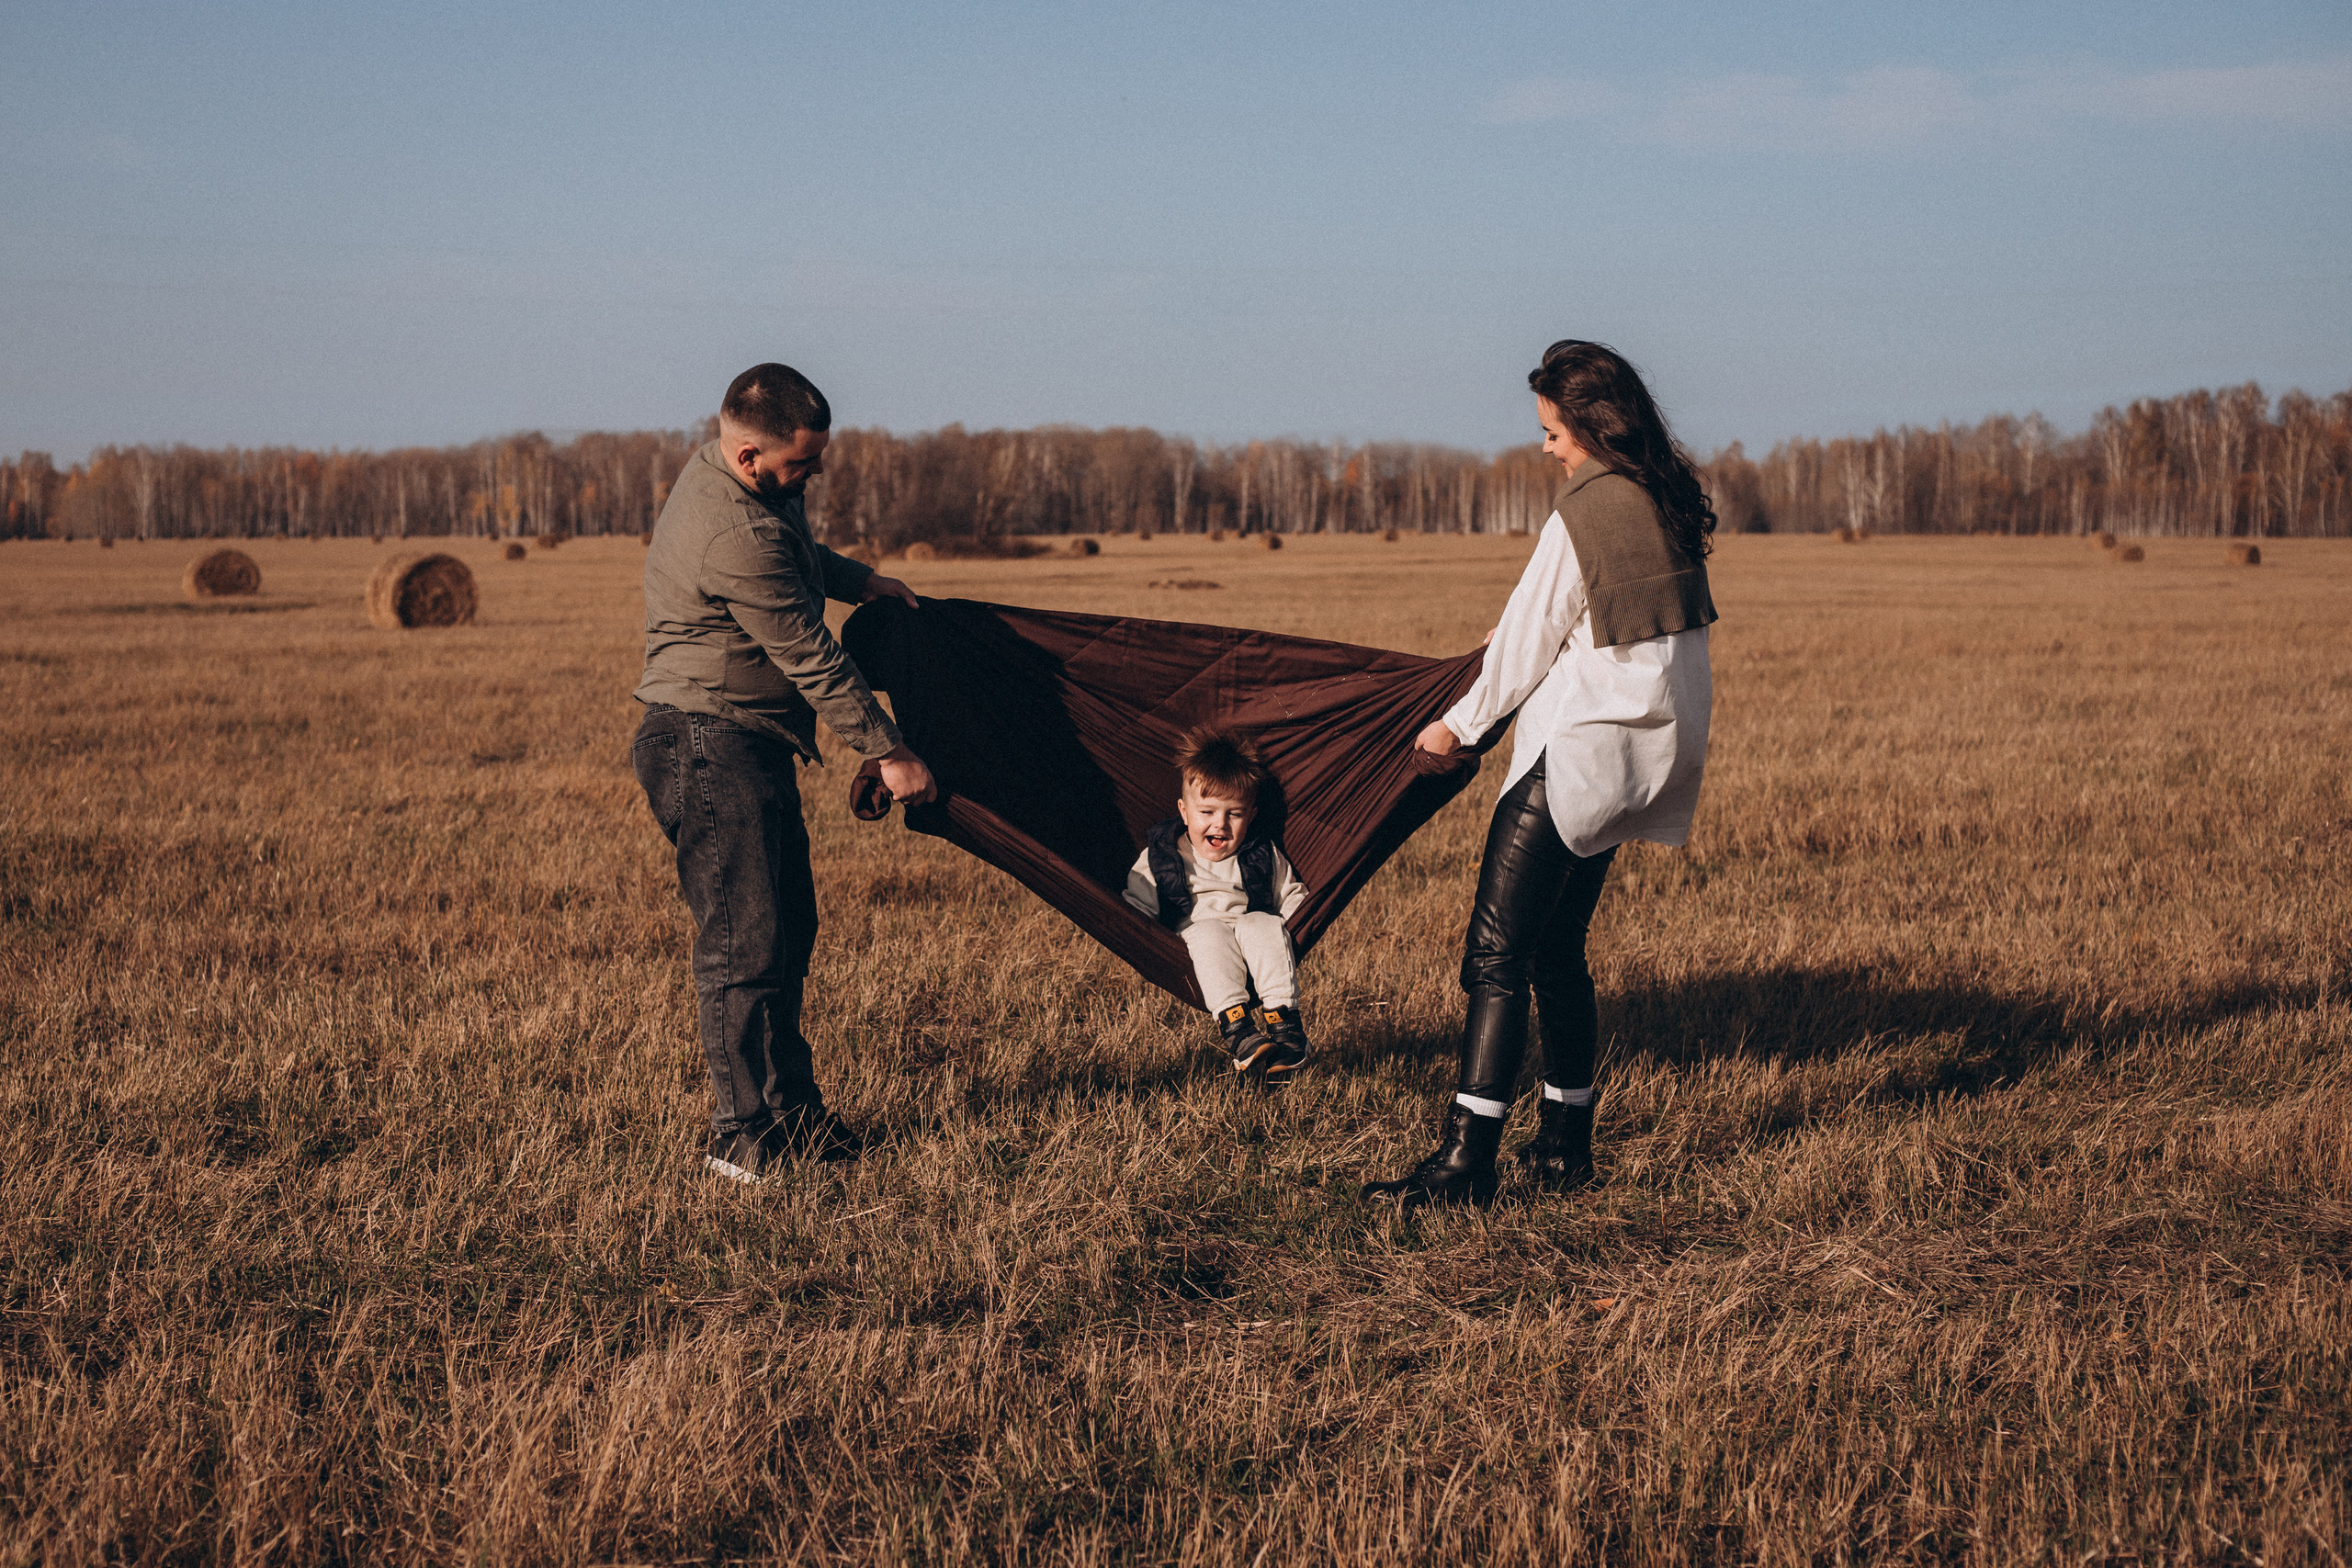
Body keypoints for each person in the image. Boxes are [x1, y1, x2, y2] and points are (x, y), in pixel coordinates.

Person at [1362, 340, 1717, 1208]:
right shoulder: (1661, 501)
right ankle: (1565, 1148)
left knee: (1496, 956)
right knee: (1559, 953)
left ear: (1591, 427)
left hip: (1579, 756)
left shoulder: (1583, 512)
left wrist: (1456, 728)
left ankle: (1465, 1163)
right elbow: (1590, 625)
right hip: (1643, 757)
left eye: (1554, 431)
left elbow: (1526, 645)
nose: (1547, 446)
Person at [632, 362, 937, 1184]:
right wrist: (890, 750)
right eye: (802, 463)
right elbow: (810, 654)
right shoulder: (732, 532)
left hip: (746, 741)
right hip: (707, 744)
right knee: (744, 943)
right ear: (748, 456)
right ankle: (740, 1135)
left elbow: (799, 555)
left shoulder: (754, 489)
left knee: (787, 930)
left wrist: (862, 580)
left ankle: (794, 1117)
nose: (815, 475)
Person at [1123, 728, 1313, 1075]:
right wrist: (1141, 938)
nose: (1220, 824)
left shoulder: (1260, 852)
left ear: (1251, 815)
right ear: (1184, 812)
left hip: (1252, 942)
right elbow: (1136, 908)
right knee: (1210, 931)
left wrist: (1295, 929)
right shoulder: (1162, 855)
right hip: (1197, 942)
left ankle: (1287, 1029)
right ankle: (1239, 1031)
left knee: (1262, 923)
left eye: (1234, 814)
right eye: (1207, 812)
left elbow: (1292, 896)